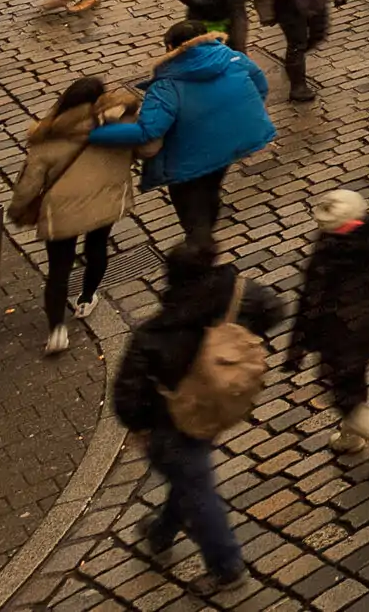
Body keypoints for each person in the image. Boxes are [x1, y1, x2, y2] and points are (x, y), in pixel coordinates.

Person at [112, 239, 288, 590]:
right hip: (215, 408)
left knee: (195, 484)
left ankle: (226, 568)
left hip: (173, 421)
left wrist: (139, 425)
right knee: (189, 475)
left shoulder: (156, 333)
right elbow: (275, 310)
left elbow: (128, 395)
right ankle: (161, 531)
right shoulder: (236, 294)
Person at [90, 20, 278, 244]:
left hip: (189, 157)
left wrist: (93, 135)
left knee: (190, 207)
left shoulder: (166, 85)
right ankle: (206, 232)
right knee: (210, 188)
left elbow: (148, 131)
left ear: (171, 48)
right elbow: (260, 87)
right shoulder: (234, 58)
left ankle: (199, 248)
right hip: (228, 146)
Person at [9, 74, 140, 353]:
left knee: (59, 269)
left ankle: (57, 330)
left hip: (62, 213)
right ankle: (86, 298)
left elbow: (27, 187)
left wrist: (18, 212)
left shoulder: (48, 139)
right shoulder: (118, 126)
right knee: (97, 248)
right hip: (105, 202)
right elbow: (148, 146)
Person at [289, 189, 369, 456]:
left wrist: (298, 348)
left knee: (340, 387)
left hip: (341, 335)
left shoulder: (327, 254)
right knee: (354, 377)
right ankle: (349, 436)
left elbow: (311, 303)